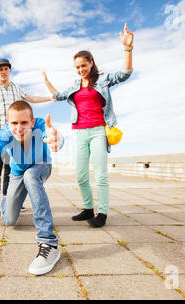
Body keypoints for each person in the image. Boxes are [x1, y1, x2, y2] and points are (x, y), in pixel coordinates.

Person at [43, 23, 134, 228]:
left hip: (99, 131)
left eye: (83, 65)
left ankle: (102, 213)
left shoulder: (103, 80)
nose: (80, 70)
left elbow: (126, 73)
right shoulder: (75, 86)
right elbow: (57, 96)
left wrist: (128, 49)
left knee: (101, 174)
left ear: (91, 63)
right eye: (77, 67)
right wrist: (47, 81)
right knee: (81, 174)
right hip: (79, 132)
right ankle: (87, 209)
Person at [0, 100, 64, 275]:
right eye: (14, 123)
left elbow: (54, 135)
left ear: (32, 121)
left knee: (31, 176)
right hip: (16, 174)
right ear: (8, 123)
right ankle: (10, 200)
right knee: (9, 220)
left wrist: (57, 139)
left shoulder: (40, 125)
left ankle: (49, 242)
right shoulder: (6, 133)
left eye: (24, 123)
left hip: (41, 166)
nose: (19, 128)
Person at [0, 58, 55, 218]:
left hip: (16, 135)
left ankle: (11, 200)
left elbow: (31, 98)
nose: (3, 71)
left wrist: (48, 98)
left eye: (5, 69)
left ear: (9, 71)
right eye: (0, 69)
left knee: (11, 170)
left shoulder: (16, 88)